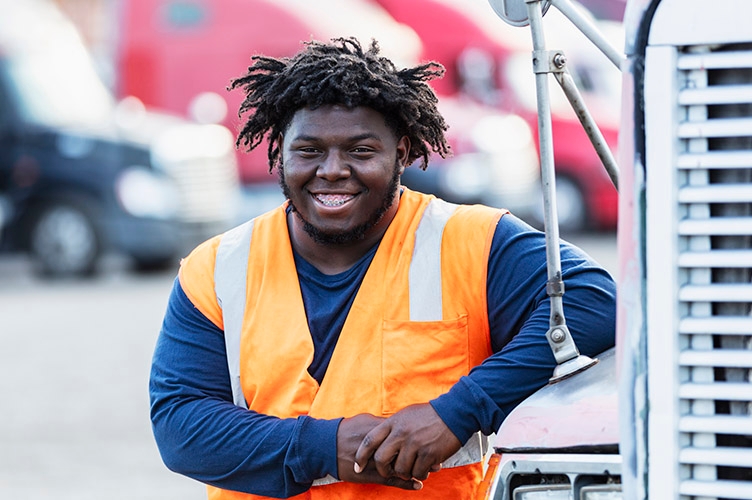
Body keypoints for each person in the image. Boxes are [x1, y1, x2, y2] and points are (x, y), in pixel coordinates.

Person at [149, 37, 616, 500]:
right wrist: (328, 447)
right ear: (280, 152)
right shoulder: (218, 267)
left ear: (404, 153)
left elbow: (593, 301)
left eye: (360, 150)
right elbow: (180, 424)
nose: (332, 170)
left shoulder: (472, 240)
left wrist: (457, 412)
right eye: (309, 150)